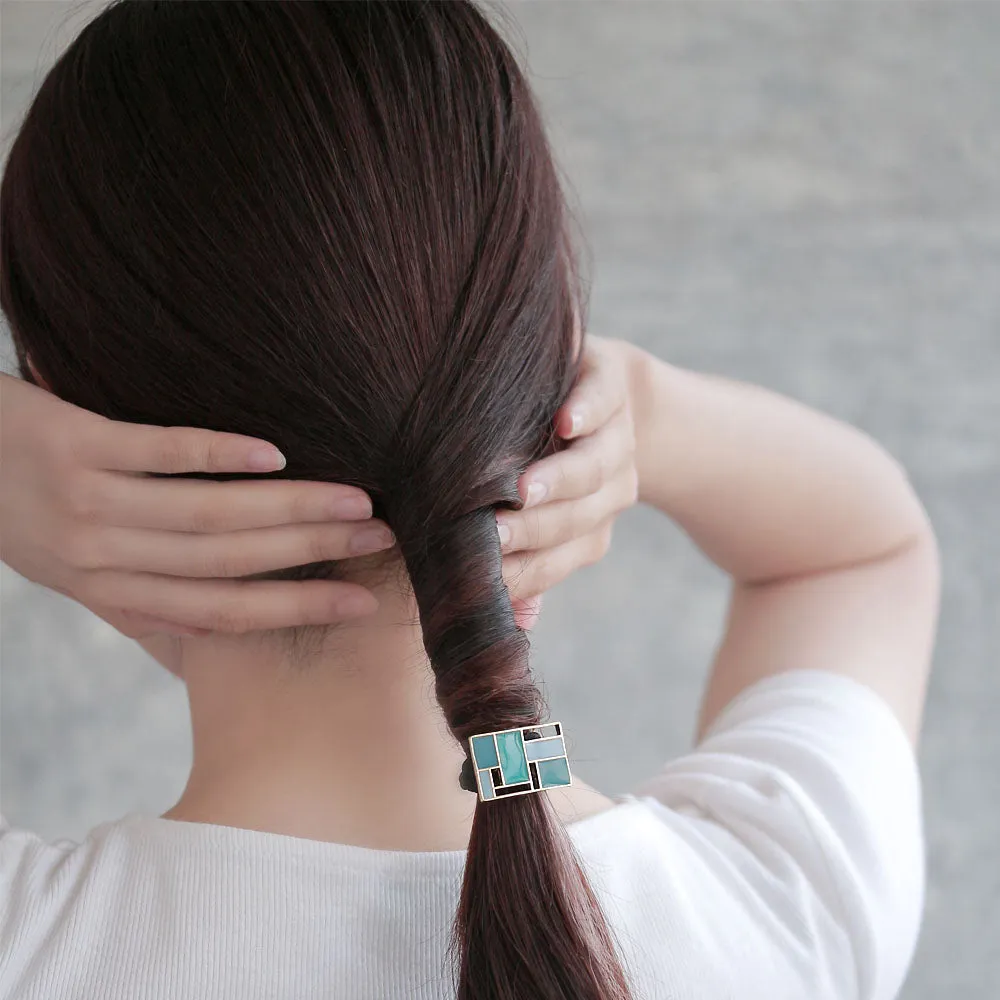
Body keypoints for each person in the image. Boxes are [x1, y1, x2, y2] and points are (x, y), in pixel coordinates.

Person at [0, 3, 940, 1000]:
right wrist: (644, 415)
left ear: (53, 402)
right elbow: (860, 549)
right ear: (546, 350)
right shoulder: (777, 913)